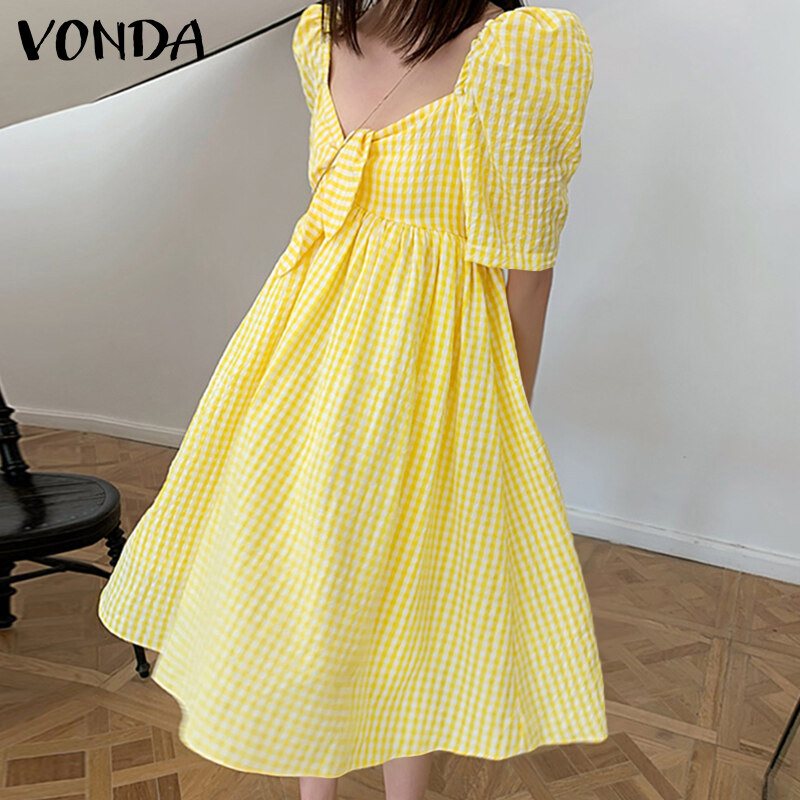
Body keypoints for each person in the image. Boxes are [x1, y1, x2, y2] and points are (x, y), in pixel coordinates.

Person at [98, 1, 607, 798]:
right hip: (299, 356)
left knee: (413, 588)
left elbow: (528, 271)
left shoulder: (520, 51)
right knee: (313, 576)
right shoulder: (322, 37)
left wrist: (506, 420)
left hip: (430, 368)